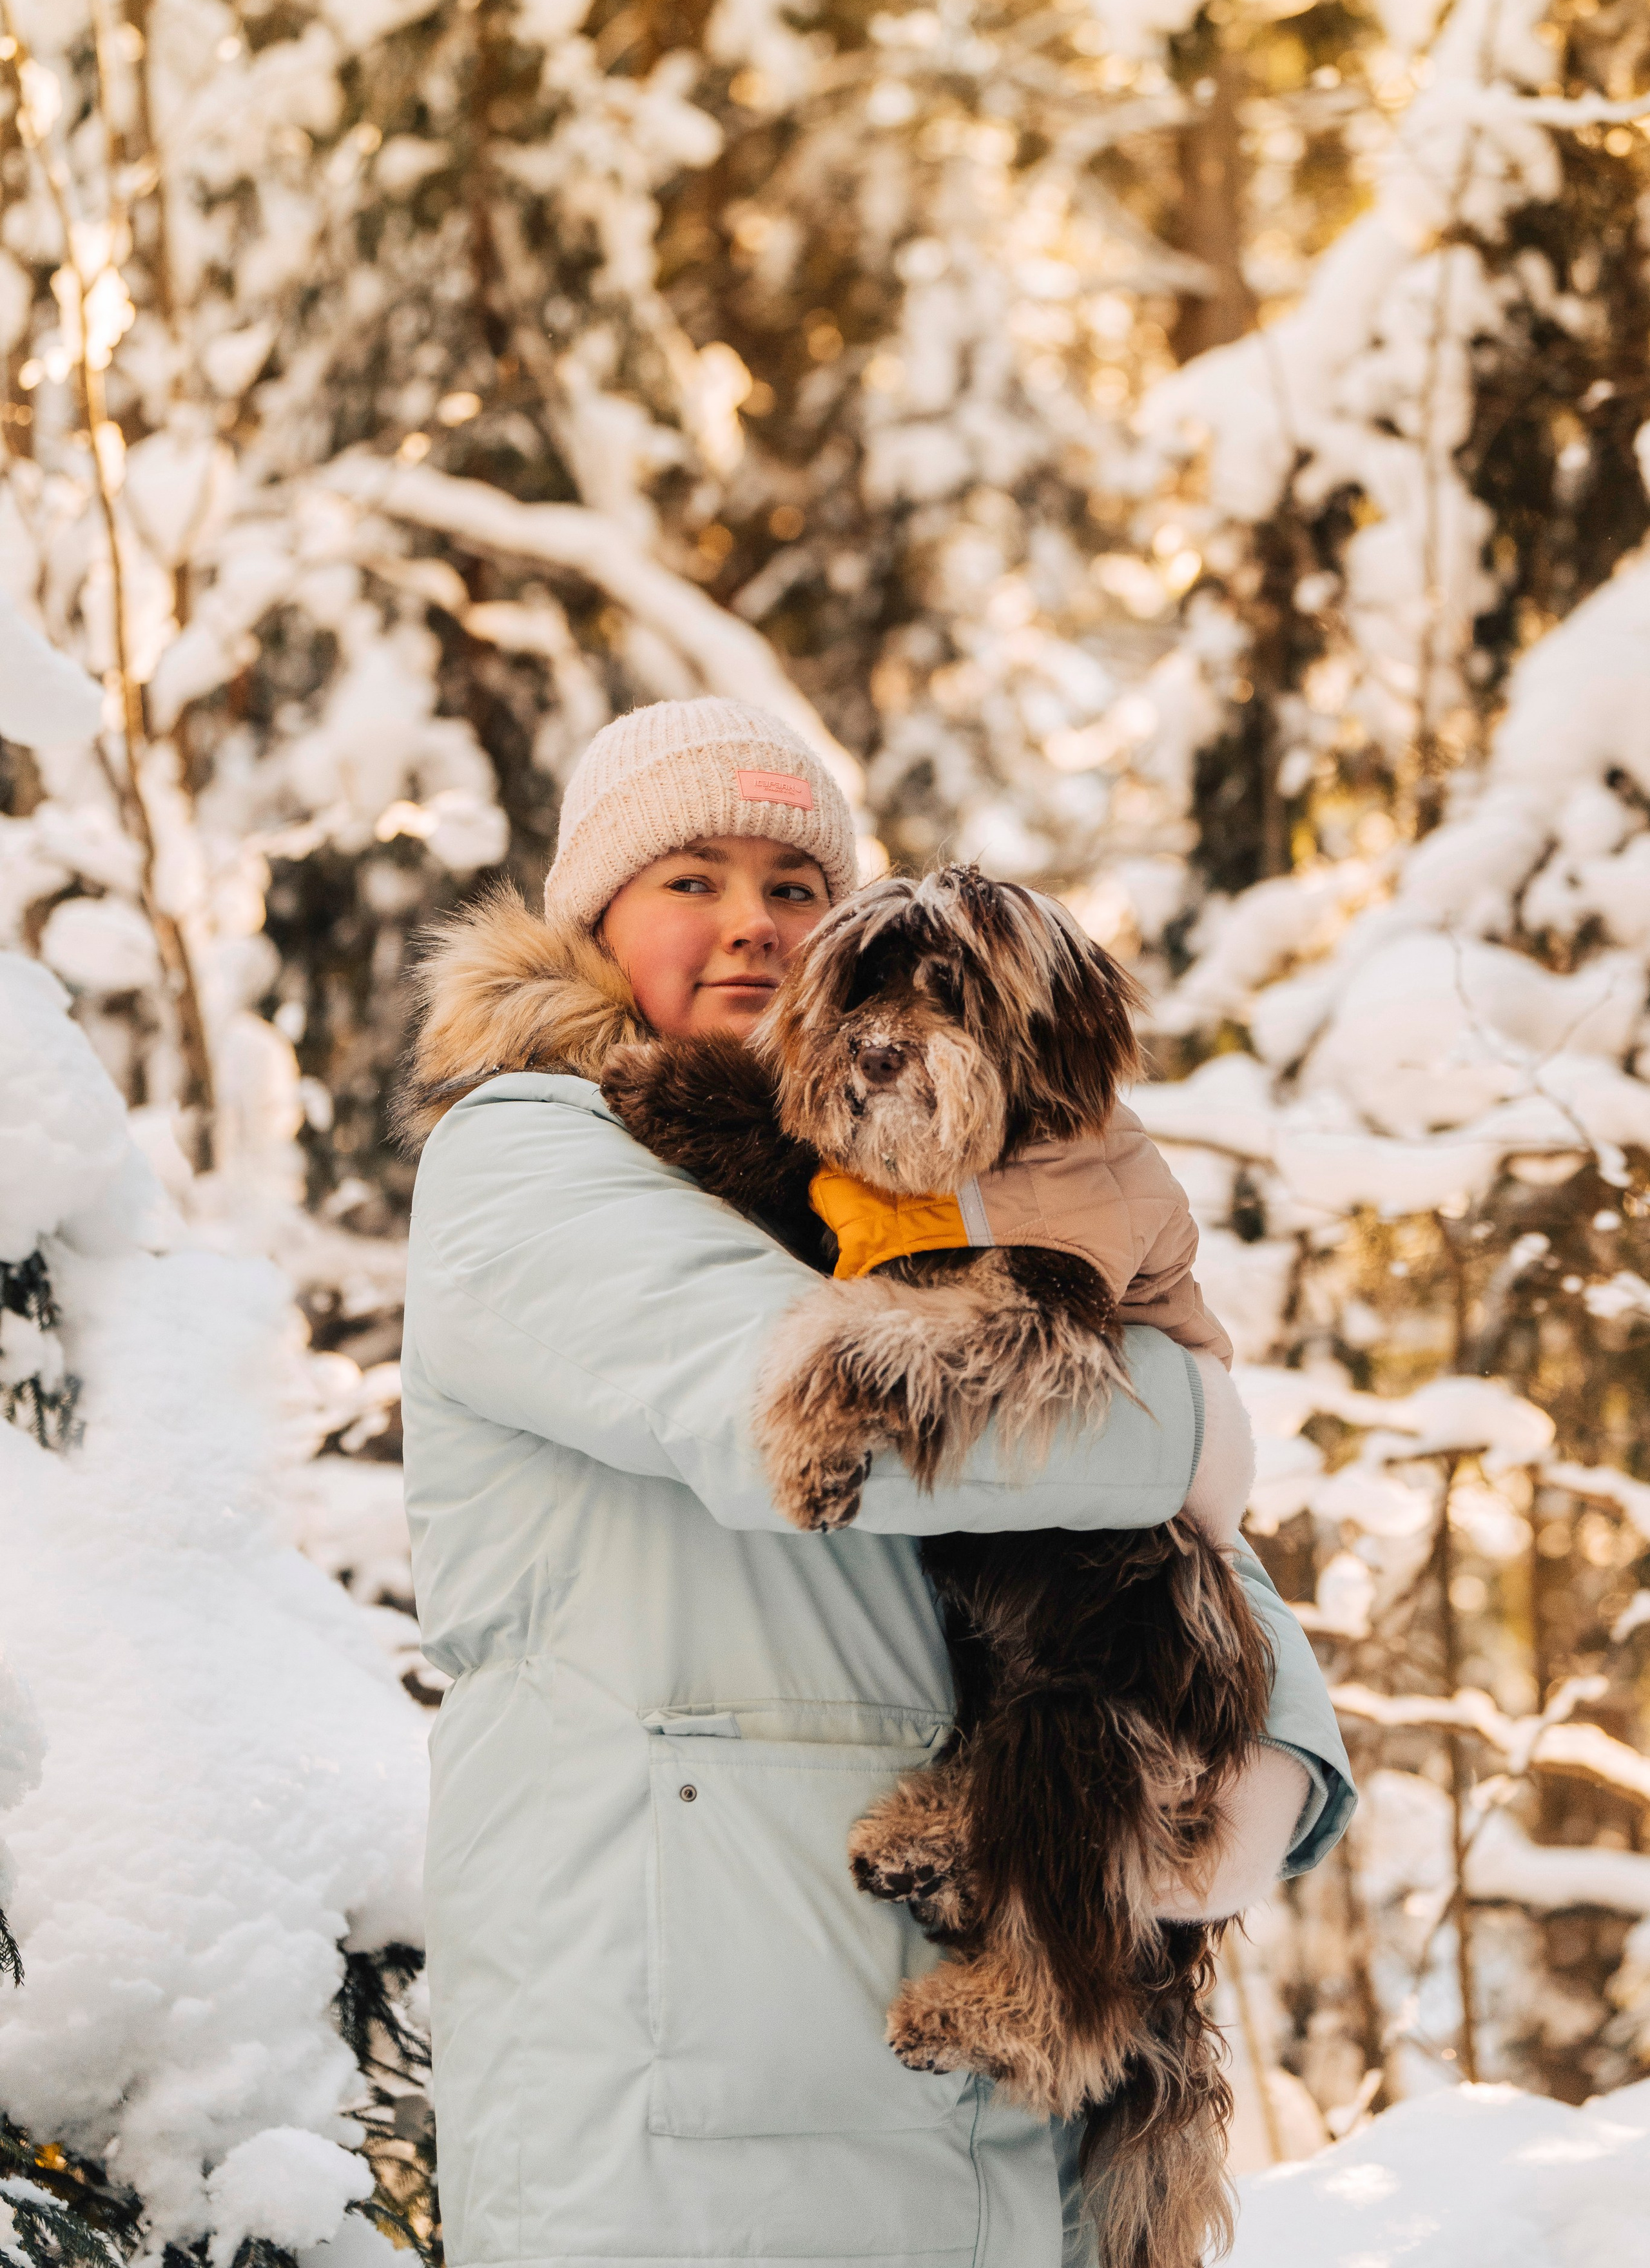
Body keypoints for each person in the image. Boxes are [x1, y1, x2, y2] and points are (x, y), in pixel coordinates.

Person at [398, 696, 1354, 2268]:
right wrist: (1191, 1412)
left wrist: (1281, 1756)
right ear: (592, 913)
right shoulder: (526, 1155)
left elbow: (1150, 1546)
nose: (750, 927)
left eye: (793, 886)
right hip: (686, 2093)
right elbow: (798, 1398)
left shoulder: (885, 1176)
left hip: (980, 2105)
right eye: (689, 879)